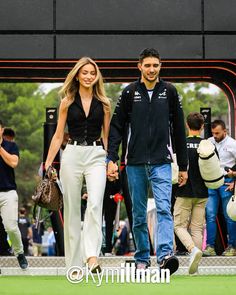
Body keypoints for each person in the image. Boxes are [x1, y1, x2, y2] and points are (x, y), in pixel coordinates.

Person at [107, 48, 188, 275]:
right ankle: (142, 257)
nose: (151, 69)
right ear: (139, 67)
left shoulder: (170, 92)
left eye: (155, 65)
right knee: (139, 214)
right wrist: (111, 158)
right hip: (134, 162)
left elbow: (179, 130)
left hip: (162, 161)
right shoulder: (129, 93)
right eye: (147, 65)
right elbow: (116, 127)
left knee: (164, 209)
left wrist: (183, 166)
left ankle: (164, 256)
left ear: (160, 66)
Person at [45, 57, 111, 271]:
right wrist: (47, 163)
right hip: (72, 154)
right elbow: (57, 136)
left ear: (97, 76)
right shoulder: (66, 102)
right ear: (77, 75)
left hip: (96, 154)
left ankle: (91, 256)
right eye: (85, 72)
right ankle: (73, 265)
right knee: (72, 209)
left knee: (94, 203)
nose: (89, 76)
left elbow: (108, 137)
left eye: (93, 72)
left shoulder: (104, 103)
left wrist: (111, 161)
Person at [174, 112, 208, 274]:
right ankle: (196, 265)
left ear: (187, 125)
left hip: (184, 191)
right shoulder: (208, 144)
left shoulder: (181, 144)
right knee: (197, 228)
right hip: (203, 192)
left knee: (179, 225)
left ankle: (192, 249)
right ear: (202, 127)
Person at [203, 120, 236, 256]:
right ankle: (210, 247)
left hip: (226, 182)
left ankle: (232, 247)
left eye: (217, 133)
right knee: (210, 215)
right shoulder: (208, 142)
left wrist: (234, 179)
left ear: (224, 131)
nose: (215, 135)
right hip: (211, 182)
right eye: (213, 133)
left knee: (229, 216)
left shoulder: (233, 144)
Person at [0, 119, 28, 269]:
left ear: (1, 130)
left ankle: (20, 253)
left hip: (8, 193)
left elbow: (13, 163)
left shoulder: (11, 146)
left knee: (10, 227)